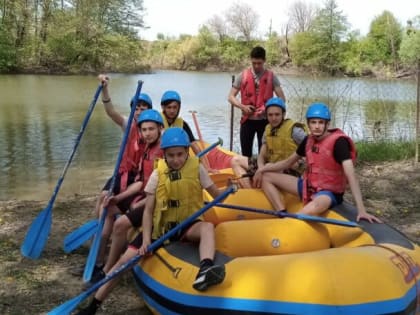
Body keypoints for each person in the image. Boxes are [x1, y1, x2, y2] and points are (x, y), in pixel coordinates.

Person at [76, 128, 225, 315]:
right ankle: (93, 306)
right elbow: (148, 212)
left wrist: (226, 193)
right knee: (124, 262)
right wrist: (146, 239)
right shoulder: (157, 174)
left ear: (187, 151)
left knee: (207, 227)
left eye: (180, 154)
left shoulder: (197, 168)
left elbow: (215, 194)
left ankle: (205, 269)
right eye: (171, 155)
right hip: (160, 228)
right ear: (164, 154)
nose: (176, 160)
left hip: (187, 224)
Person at [70, 75, 152, 277]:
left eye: (143, 107)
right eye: (137, 107)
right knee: (102, 205)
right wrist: (105, 89)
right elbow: (110, 111)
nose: (139, 111)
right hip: (120, 175)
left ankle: (105, 250)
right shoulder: (127, 124)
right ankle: (98, 251)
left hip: (136, 181)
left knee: (113, 211)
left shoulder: (151, 131)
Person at [257, 102, 382, 223]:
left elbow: (351, 176)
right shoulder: (308, 140)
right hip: (308, 187)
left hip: (328, 193)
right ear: (308, 124)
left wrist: (361, 210)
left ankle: (292, 221)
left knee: (317, 203)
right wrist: (261, 169)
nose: (317, 126)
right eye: (313, 122)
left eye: (321, 122)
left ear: (327, 124)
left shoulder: (339, 143)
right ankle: (282, 213)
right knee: (267, 176)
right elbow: (287, 163)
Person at [82, 109, 164, 289]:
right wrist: (117, 198)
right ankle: (98, 261)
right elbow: (141, 183)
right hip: (145, 195)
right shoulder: (147, 149)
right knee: (109, 209)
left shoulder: (163, 151)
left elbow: (157, 192)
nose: (147, 133)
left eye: (151, 129)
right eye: (144, 130)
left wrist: (135, 207)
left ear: (160, 128)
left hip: (156, 201)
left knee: (120, 225)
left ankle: (107, 271)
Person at [231, 97, 307, 188]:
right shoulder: (267, 129)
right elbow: (261, 156)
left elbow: (313, 150)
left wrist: (301, 162)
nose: (273, 118)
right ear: (266, 115)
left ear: (283, 114)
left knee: (268, 171)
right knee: (235, 160)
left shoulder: (295, 130)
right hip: (271, 167)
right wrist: (261, 169)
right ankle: (250, 193)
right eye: (270, 115)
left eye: (277, 114)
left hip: (290, 170)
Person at [228, 46, 286, 158]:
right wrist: (243, 107)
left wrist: (268, 108)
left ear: (264, 60)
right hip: (247, 121)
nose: (256, 66)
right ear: (251, 60)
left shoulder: (271, 76)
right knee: (246, 154)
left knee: (264, 154)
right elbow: (230, 97)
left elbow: (282, 98)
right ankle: (248, 174)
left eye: (259, 63)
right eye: (254, 63)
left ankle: (262, 173)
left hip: (265, 122)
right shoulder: (243, 75)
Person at [160, 90, 214, 172]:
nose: (172, 111)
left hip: (179, 159)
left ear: (179, 108)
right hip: (164, 159)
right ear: (163, 107)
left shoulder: (183, 124)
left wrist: (206, 167)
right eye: (169, 107)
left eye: (175, 107)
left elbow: (194, 145)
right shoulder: (157, 122)